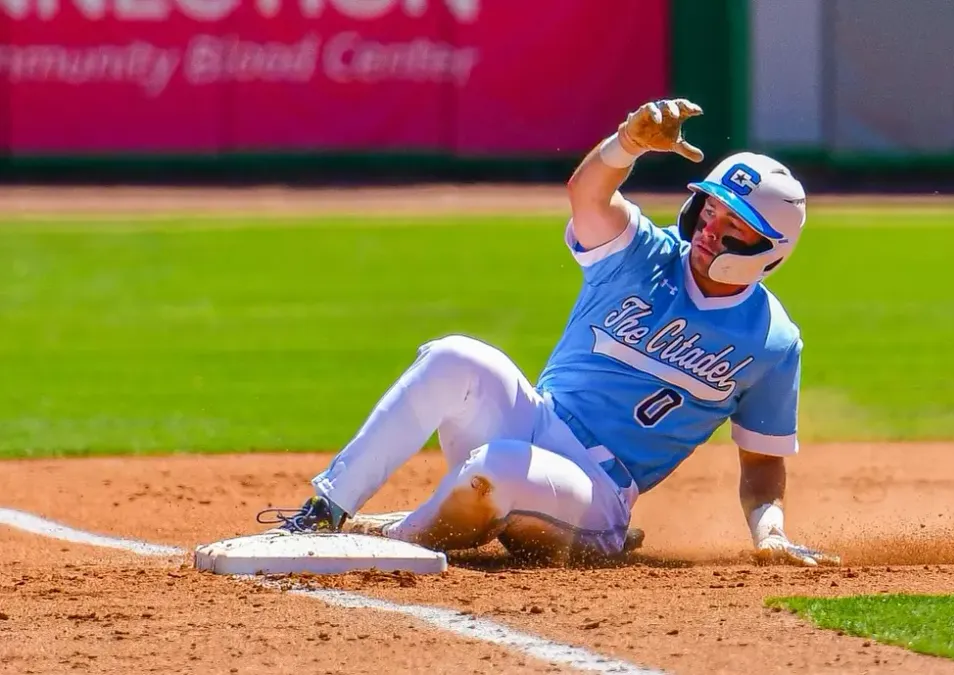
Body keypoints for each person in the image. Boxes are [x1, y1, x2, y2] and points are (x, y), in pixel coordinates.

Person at [257, 98, 841, 567]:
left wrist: (770, 535)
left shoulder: (771, 341)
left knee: (499, 467)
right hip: (536, 419)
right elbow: (588, 194)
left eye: (733, 225)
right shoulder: (641, 253)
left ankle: (386, 541)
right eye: (710, 212)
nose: (711, 231)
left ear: (770, 249)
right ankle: (326, 511)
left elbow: (762, 464)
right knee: (455, 357)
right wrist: (628, 144)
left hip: (598, 492)